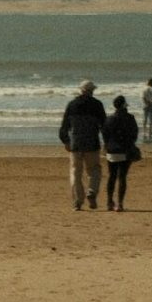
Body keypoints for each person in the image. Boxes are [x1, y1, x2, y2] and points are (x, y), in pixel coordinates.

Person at [58, 79, 106, 212]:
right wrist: (107, 142)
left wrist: (66, 141)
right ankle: (92, 191)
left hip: (76, 144)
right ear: (93, 91)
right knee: (94, 170)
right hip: (92, 143)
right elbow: (104, 126)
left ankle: (77, 202)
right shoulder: (97, 105)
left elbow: (64, 127)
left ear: (81, 90)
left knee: (75, 173)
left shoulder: (72, 105)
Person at [102, 94, 141, 210]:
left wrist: (107, 145)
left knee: (112, 176)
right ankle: (120, 204)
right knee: (122, 177)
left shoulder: (109, 119)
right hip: (126, 150)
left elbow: (105, 134)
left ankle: (109, 202)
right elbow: (134, 134)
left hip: (112, 150)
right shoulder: (130, 118)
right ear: (124, 105)